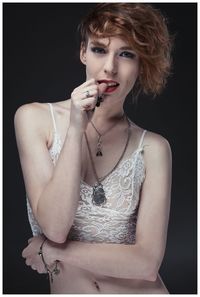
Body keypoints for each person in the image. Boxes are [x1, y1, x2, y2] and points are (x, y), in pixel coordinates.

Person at [14, 3, 173, 294]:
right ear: (83, 52)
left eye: (126, 54)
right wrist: (76, 127)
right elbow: (55, 227)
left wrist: (53, 252)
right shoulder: (34, 119)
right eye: (100, 49)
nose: (110, 67)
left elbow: (147, 265)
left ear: (141, 64)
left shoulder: (154, 148)